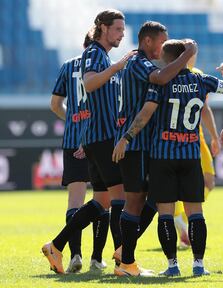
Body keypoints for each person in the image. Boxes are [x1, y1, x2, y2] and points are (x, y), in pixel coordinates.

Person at [113, 39, 223, 276]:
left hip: (163, 156)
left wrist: (127, 137)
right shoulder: (202, 80)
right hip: (190, 155)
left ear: (170, 59)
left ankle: (172, 266)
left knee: (165, 213)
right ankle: (198, 265)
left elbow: (146, 112)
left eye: (163, 57)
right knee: (196, 213)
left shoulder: (161, 82)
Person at [42, 9, 132, 274]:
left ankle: (56, 246)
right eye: (117, 29)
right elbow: (90, 84)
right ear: (103, 28)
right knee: (120, 198)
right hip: (102, 137)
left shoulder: (101, 55)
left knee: (102, 200)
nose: (122, 34)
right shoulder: (94, 54)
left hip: (96, 137)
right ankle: (124, 261)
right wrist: (118, 66)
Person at [111, 21, 196, 277]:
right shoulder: (139, 62)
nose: (163, 46)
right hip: (135, 143)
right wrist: (186, 55)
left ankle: (125, 252)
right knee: (135, 200)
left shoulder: (144, 63)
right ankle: (126, 263)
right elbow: (160, 77)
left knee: (153, 198)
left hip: (146, 145)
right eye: (161, 41)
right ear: (147, 41)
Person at [50, 33, 110, 273]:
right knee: (102, 199)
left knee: (75, 200)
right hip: (98, 137)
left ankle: (75, 255)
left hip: (73, 140)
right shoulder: (103, 64)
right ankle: (97, 258)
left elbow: (55, 105)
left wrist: (73, 120)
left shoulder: (67, 66)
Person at [174, 54, 221, 249]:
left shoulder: (199, 76)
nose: (192, 57)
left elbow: (204, 109)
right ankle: (179, 223)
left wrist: (214, 136)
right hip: (176, 139)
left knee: (209, 180)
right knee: (175, 185)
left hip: (197, 137)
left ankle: (182, 217)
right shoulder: (171, 75)